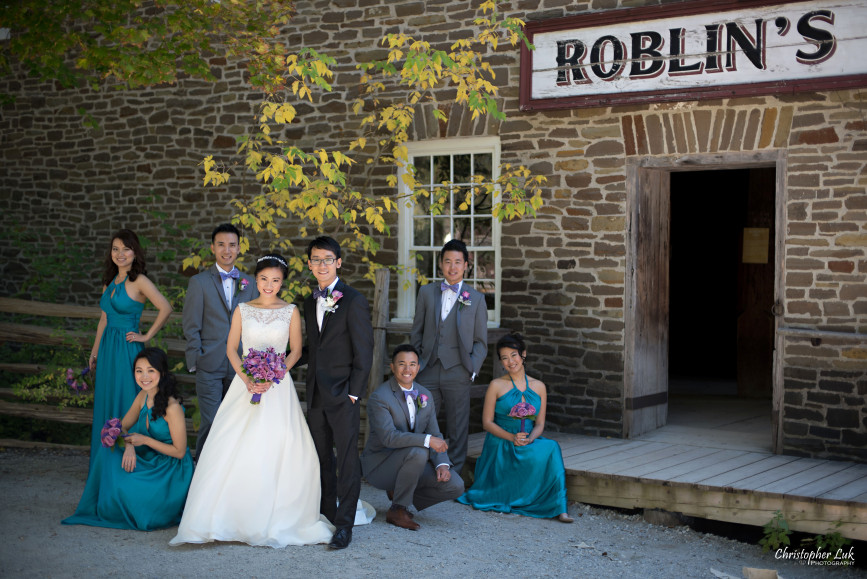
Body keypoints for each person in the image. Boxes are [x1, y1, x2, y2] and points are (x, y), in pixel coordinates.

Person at [170, 255, 334, 548]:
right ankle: (222, 516)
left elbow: (295, 351)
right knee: (230, 444)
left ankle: (274, 514)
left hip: (278, 386)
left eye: (276, 281)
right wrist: (246, 378)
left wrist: (275, 374)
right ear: (255, 280)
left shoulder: (291, 311)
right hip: (245, 383)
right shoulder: (242, 309)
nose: (269, 285)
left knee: (278, 444)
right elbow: (232, 349)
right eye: (264, 279)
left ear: (282, 282)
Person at [63, 348, 194, 530]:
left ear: (162, 373)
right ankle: (112, 503)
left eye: (150, 370)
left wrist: (145, 440)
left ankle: (142, 502)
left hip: (171, 469)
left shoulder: (172, 407)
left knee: (142, 505)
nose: (144, 376)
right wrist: (130, 446)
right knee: (107, 447)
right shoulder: (143, 396)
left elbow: (180, 452)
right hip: (149, 457)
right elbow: (122, 426)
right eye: (139, 371)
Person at [303, 236, 374, 550]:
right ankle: (327, 514)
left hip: (344, 394)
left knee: (346, 461)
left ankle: (345, 527)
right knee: (321, 459)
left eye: (327, 259)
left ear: (339, 262)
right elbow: (314, 347)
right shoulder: (309, 301)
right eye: (316, 259)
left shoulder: (354, 300)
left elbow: (364, 352)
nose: (322, 264)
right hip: (316, 393)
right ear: (309, 264)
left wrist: (354, 394)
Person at [457, 333, 573, 522]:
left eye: (514, 355)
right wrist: (511, 438)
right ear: (501, 362)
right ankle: (509, 493)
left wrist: (530, 438)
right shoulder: (496, 385)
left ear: (523, 355)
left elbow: (540, 423)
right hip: (501, 440)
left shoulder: (539, 386)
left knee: (552, 448)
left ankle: (560, 508)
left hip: (527, 438)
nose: (510, 361)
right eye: (504, 358)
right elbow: (487, 423)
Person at [87, 229, 172, 461]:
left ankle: (131, 457)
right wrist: (94, 352)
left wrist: (146, 336)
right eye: (115, 249)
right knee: (107, 398)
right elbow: (103, 319)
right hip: (107, 349)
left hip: (127, 348)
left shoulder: (140, 281)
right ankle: (105, 460)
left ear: (135, 252)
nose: (120, 254)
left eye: (126, 249)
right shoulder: (110, 282)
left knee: (127, 398)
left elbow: (166, 308)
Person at [362, 345, 464, 531]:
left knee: (456, 486)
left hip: (411, 462)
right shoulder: (380, 397)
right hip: (380, 465)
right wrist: (427, 440)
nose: (407, 370)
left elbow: (435, 432)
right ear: (392, 367)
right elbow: (389, 438)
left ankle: (401, 492)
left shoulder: (425, 394)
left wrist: (442, 463)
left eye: (412, 364)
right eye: (402, 364)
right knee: (419, 450)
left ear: (418, 368)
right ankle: (398, 509)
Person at [410, 238, 487, 476]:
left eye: (457, 262)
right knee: (422, 422)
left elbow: (480, 342)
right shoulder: (426, 292)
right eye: (447, 262)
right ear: (440, 264)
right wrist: (418, 365)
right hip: (428, 369)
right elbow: (417, 332)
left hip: (459, 371)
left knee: (457, 426)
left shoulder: (476, 298)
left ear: (465, 265)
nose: (452, 267)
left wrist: (471, 370)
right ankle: (421, 472)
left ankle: (453, 478)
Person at [182, 223, 258, 459]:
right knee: (211, 421)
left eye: (232, 245)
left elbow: (255, 322)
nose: (227, 250)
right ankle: (201, 476)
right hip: (209, 364)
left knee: (237, 422)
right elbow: (191, 325)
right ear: (213, 248)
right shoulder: (199, 282)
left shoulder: (250, 283)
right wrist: (197, 359)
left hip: (240, 367)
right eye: (222, 245)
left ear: (238, 249)